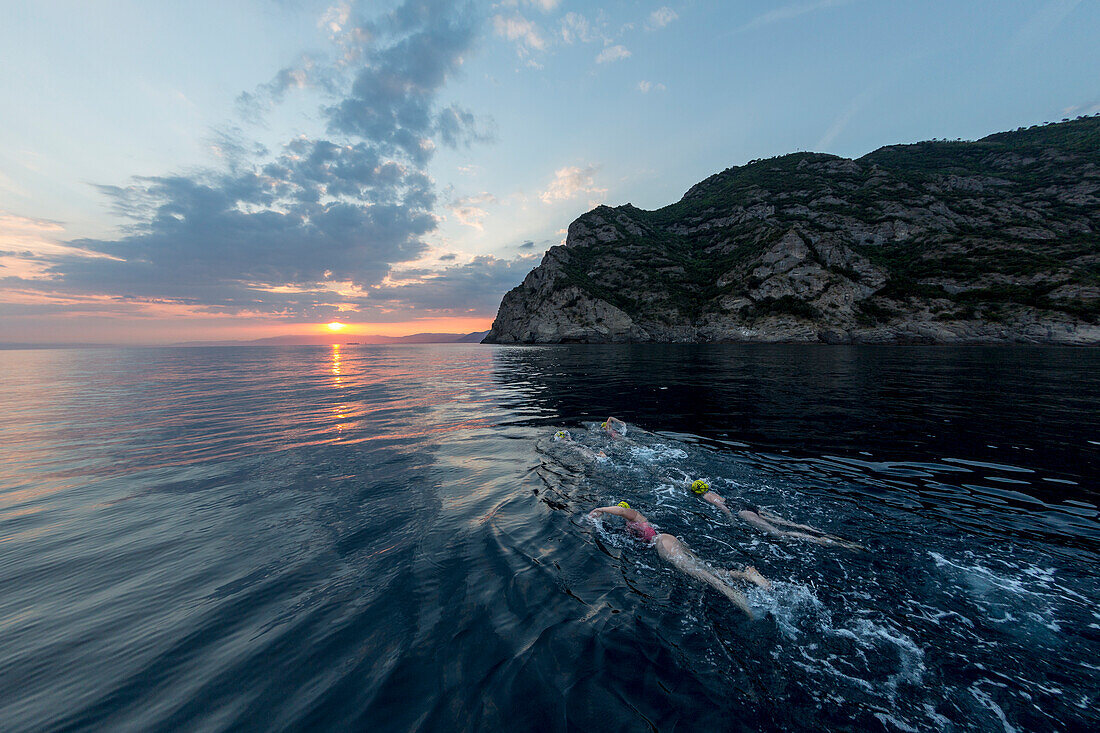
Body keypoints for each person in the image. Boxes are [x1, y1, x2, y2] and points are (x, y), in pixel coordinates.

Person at [587, 501, 769, 618]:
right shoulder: (634, 526)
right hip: (668, 540)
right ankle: (746, 575)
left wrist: (600, 509)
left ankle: (742, 601)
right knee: (706, 570)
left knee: (705, 576)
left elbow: (621, 510)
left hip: (664, 544)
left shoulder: (635, 516)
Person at [686, 479, 865, 551]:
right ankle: (822, 533)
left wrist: (731, 521)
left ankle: (824, 541)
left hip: (743, 512)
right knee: (789, 523)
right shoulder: (713, 491)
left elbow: (724, 508)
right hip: (748, 505)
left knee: (780, 533)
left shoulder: (707, 497)